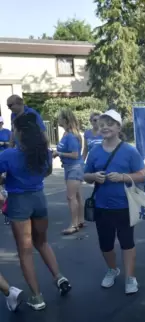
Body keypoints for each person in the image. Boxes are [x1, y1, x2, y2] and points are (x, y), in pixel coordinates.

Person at [0, 113, 71, 310]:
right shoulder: (44, 152)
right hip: (39, 199)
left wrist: (7, 181)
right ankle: (59, 277)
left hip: (19, 203)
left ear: (20, 132)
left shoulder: (9, 154)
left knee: (25, 252)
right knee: (42, 242)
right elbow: (46, 172)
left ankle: (37, 297)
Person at [84, 110, 145, 294]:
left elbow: (142, 175)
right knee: (106, 244)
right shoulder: (95, 151)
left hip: (125, 205)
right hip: (102, 206)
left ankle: (130, 278)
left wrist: (123, 177)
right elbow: (85, 176)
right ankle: (112, 269)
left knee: (127, 242)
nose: (105, 128)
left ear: (118, 127)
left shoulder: (129, 151)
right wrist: (93, 176)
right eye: (102, 125)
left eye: (109, 124)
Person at [53, 109, 85, 235]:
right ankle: (80, 220)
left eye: (60, 118)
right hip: (70, 167)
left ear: (65, 120)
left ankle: (74, 224)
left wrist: (58, 153)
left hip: (74, 168)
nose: (58, 120)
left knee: (71, 196)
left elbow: (75, 154)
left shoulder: (71, 136)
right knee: (76, 195)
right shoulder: (67, 133)